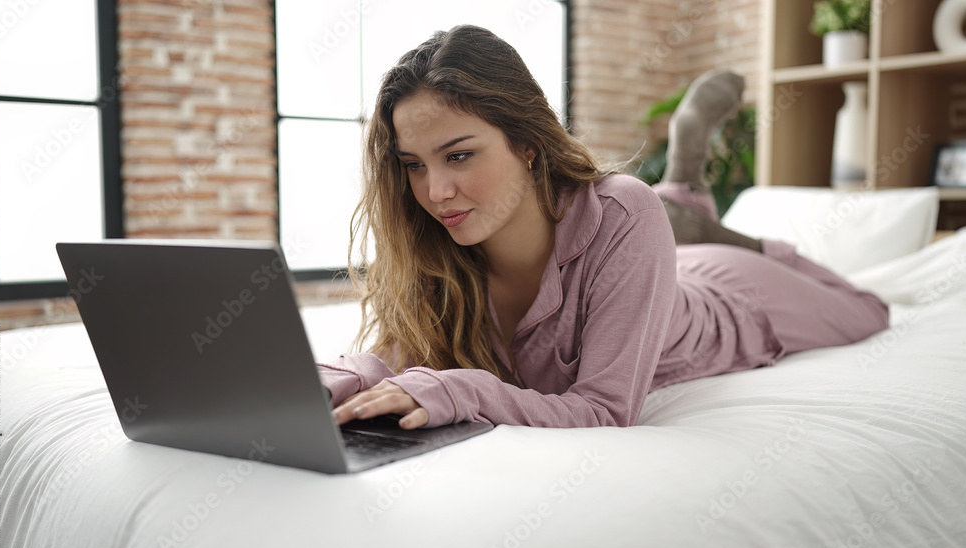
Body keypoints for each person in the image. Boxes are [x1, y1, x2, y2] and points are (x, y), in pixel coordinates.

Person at [317, 25, 888, 430]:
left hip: (732, 294)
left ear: (527, 143)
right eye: (413, 166)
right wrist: (332, 380)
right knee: (649, 218)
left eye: (459, 156)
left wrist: (461, 389)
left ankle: (718, 225)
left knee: (867, 308)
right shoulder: (436, 245)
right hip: (653, 260)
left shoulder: (622, 214)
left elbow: (605, 410)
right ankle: (685, 206)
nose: (434, 192)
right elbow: (395, 356)